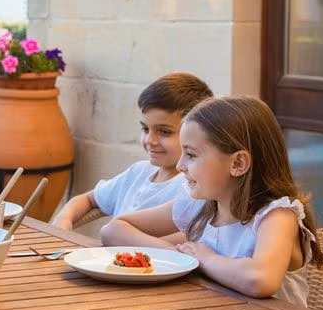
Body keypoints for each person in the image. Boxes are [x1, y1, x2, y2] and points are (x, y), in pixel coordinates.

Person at [101, 96, 323, 306]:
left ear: (238, 163)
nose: (180, 166)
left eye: (191, 155)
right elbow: (113, 230)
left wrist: (205, 259)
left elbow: (261, 279)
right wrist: (180, 257)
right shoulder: (200, 206)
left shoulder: (276, 217)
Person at [52, 72, 213, 231]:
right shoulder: (138, 172)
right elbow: (88, 199)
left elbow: (183, 242)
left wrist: (115, 233)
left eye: (165, 132)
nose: (150, 140)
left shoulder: (192, 187)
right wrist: (63, 220)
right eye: (145, 128)